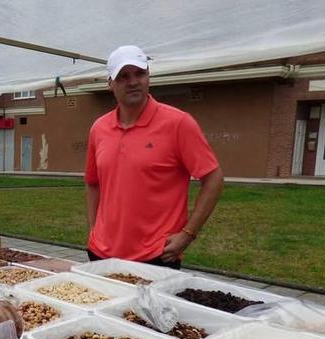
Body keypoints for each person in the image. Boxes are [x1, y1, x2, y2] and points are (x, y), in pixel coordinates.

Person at [85, 45, 224, 269]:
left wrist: (188, 234)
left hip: (156, 257)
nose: (133, 82)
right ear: (110, 82)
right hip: (101, 254)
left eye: (140, 73)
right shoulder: (99, 128)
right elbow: (93, 183)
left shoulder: (178, 123)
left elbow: (213, 178)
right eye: (123, 76)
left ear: (148, 75)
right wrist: (94, 229)